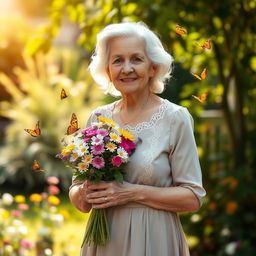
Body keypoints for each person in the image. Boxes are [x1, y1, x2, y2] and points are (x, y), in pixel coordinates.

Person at [69, 21, 206, 256]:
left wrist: (130, 192)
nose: (127, 68)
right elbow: (78, 198)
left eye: (136, 59)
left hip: (155, 240)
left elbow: (192, 198)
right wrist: (85, 191)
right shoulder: (98, 118)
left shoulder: (175, 118)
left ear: (153, 67)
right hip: (105, 241)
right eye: (118, 60)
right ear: (108, 72)